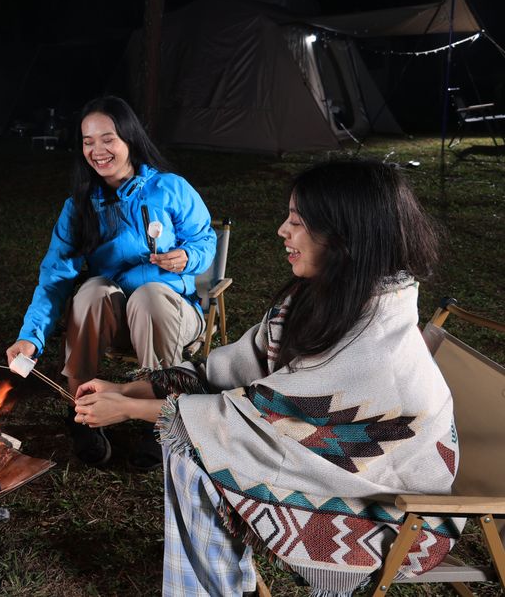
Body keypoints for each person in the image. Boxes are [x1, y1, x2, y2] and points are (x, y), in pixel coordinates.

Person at [73, 159, 460, 595]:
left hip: (387, 503)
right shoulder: (325, 297)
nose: (282, 231)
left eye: (297, 222)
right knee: (197, 448)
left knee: (197, 455)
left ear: (344, 236)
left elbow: (260, 414)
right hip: (329, 464)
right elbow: (227, 371)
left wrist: (127, 409)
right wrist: (127, 388)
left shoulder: (376, 344)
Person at [6, 95, 216, 468]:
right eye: (88, 142)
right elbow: (55, 278)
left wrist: (189, 257)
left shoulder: (170, 188)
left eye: (107, 139)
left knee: (150, 294)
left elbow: (204, 240)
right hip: (118, 319)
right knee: (91, 291)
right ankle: (83, 410)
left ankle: (161, 419)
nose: (97, 151)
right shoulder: (81, 206)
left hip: (172, 315)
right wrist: (30, 335)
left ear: (129, 139)